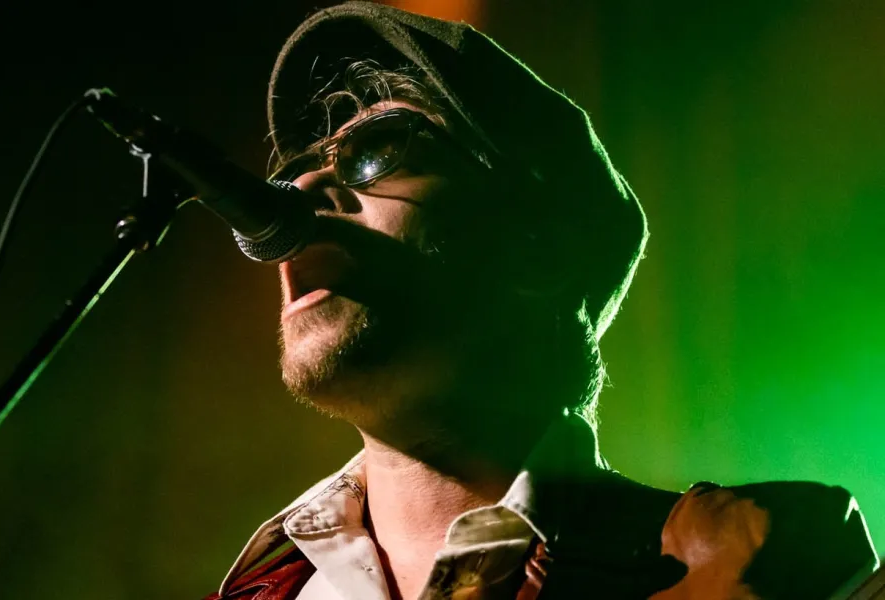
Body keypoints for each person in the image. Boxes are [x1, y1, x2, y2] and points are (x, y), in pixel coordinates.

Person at [207, 3, 878, 598]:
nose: (304, 186)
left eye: (380, 146)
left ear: (540, 249)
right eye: (294, 171)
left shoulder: (744, 568)